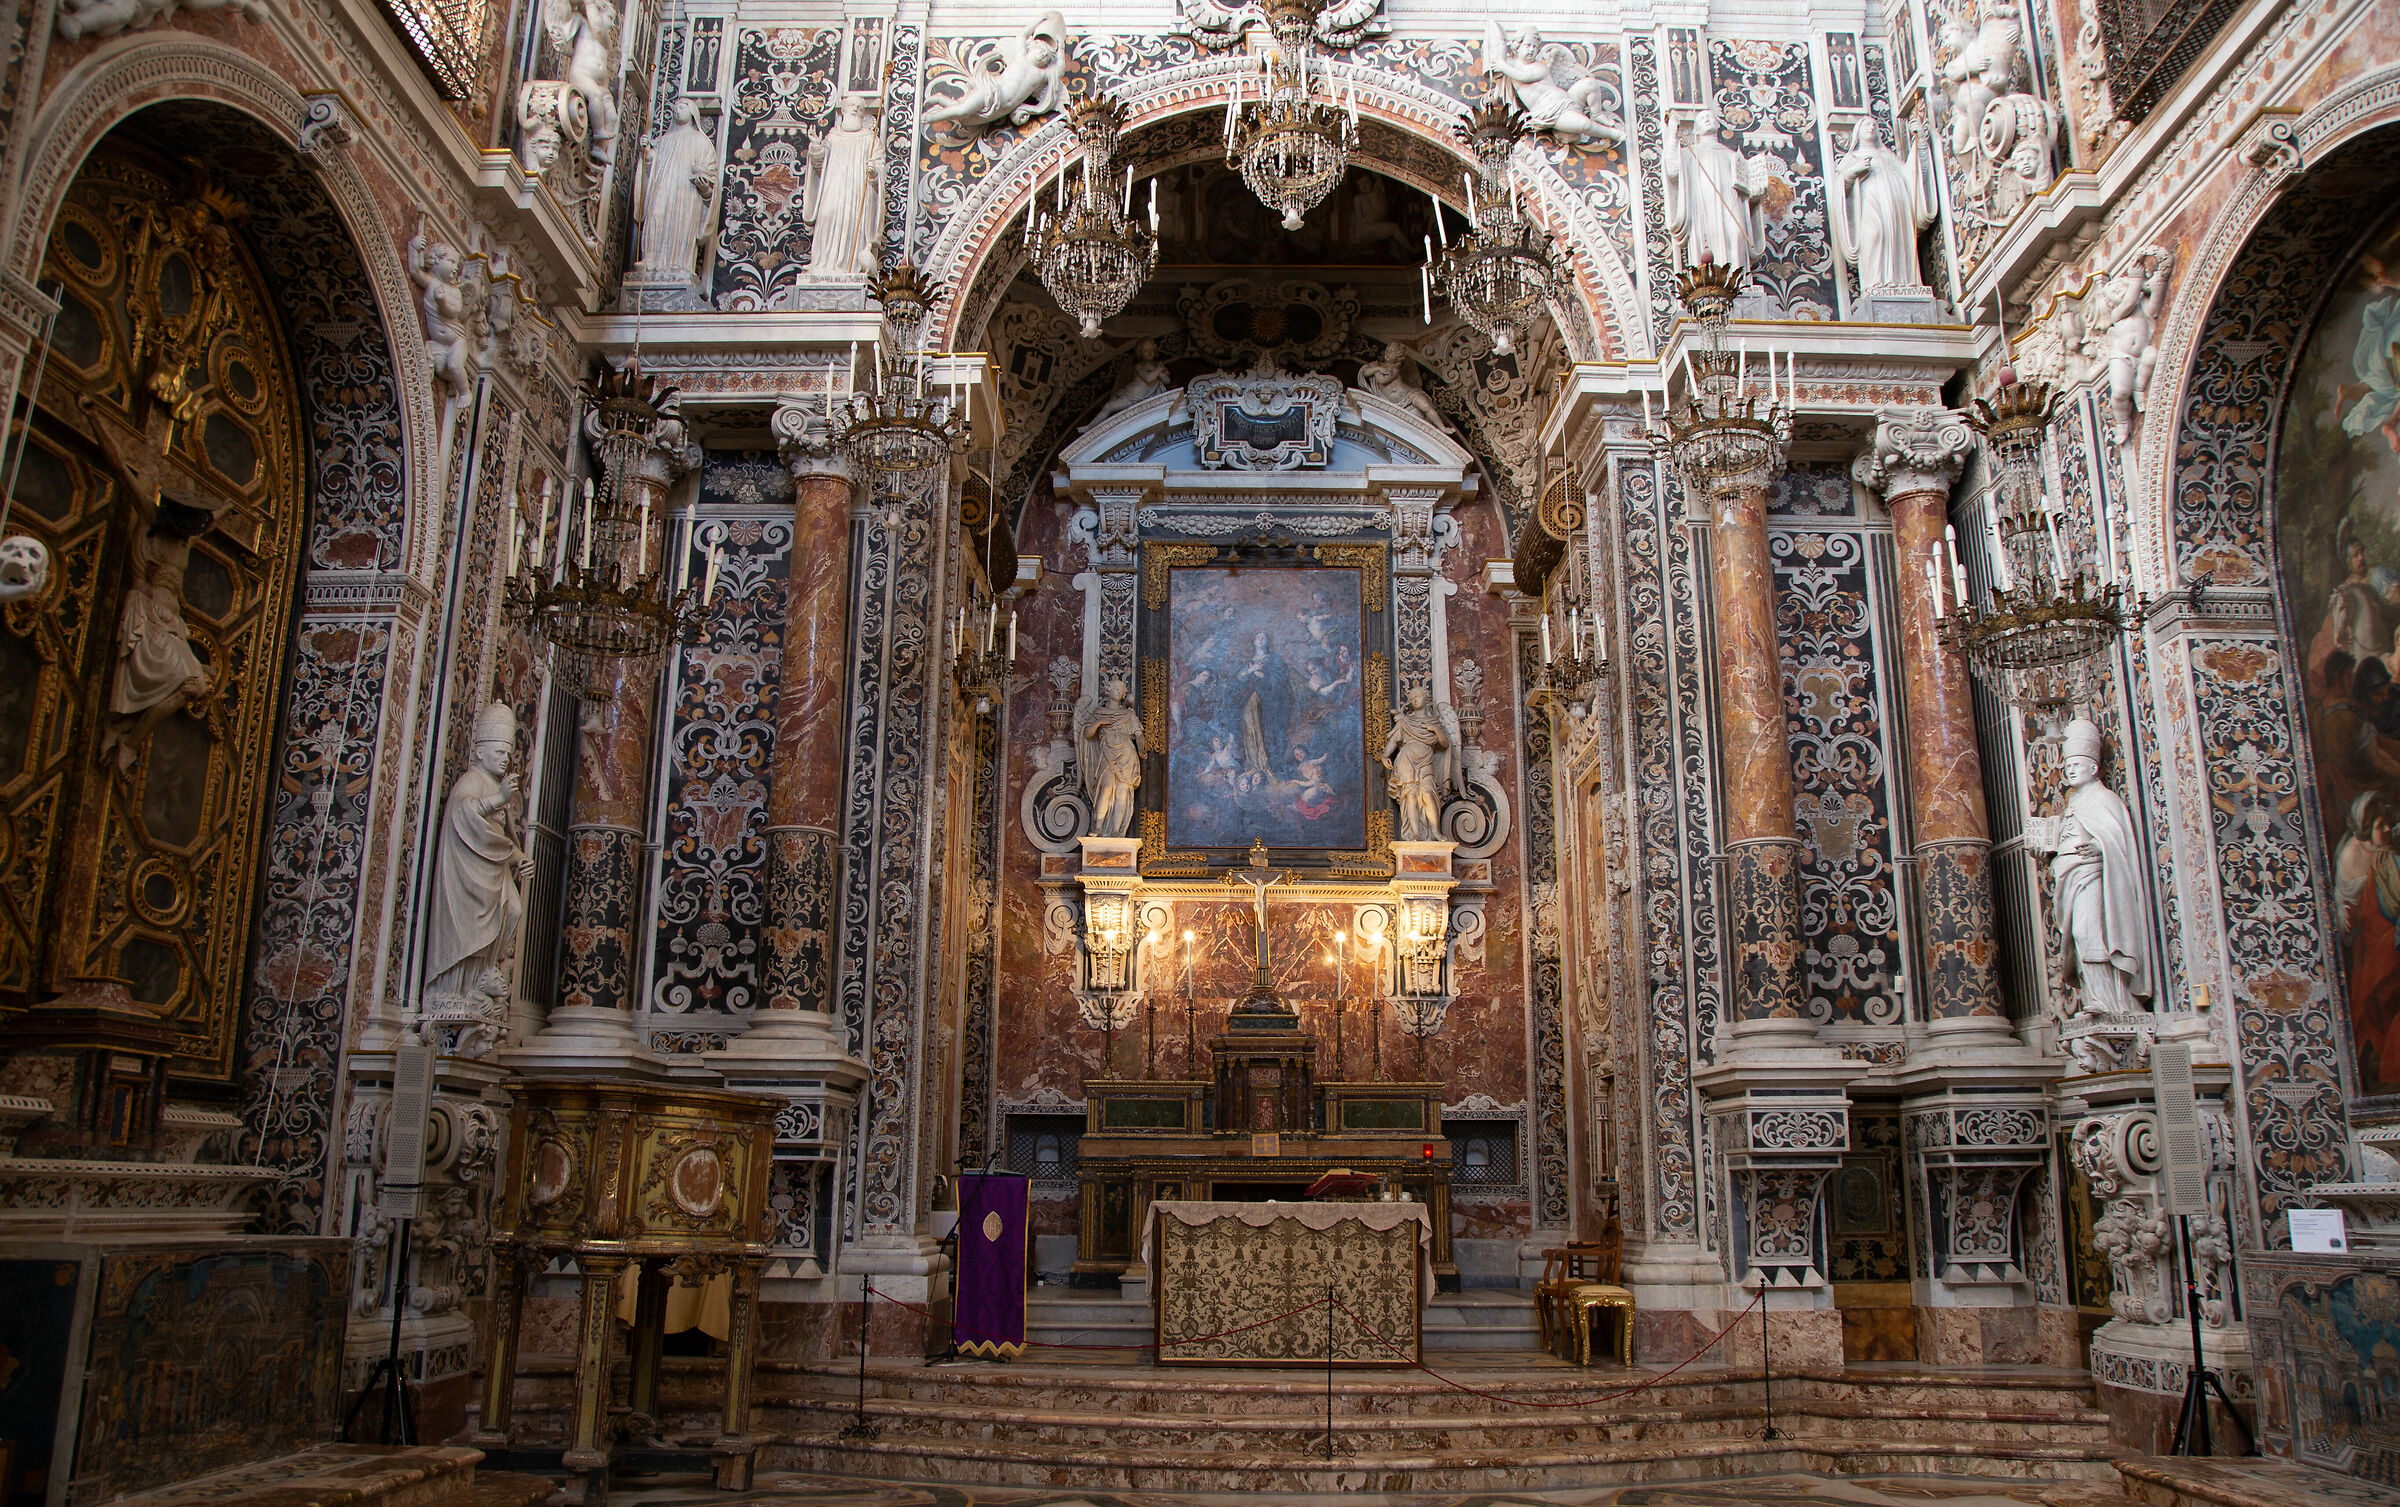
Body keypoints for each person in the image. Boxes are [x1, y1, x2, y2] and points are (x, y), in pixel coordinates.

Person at [425, 703, 534, 1003]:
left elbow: (500, 835)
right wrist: (498, 798)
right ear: (481, 752)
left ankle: (481, 976)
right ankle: (455, 988)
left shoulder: (495, 785)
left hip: (491, 870)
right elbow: (464, 816)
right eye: (499, 753)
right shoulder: (472, 781)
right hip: (468, 873)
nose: (505, 760)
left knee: (513, 910)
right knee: (476, 926)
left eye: (508, 754)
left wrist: (519, 859)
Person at [2047, 719, 2151, 1015]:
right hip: (2072, 877)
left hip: (2093, 876)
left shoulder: (2104, 799)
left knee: (2090, 932)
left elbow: (2118, 840)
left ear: (2093, 768)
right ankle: (2098, 997)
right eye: (2068, 766)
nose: (2070, 770)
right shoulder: (2074, 804)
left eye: (2077, 765)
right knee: (2079, 939)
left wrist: (2099, 847)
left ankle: (2113, 1002)